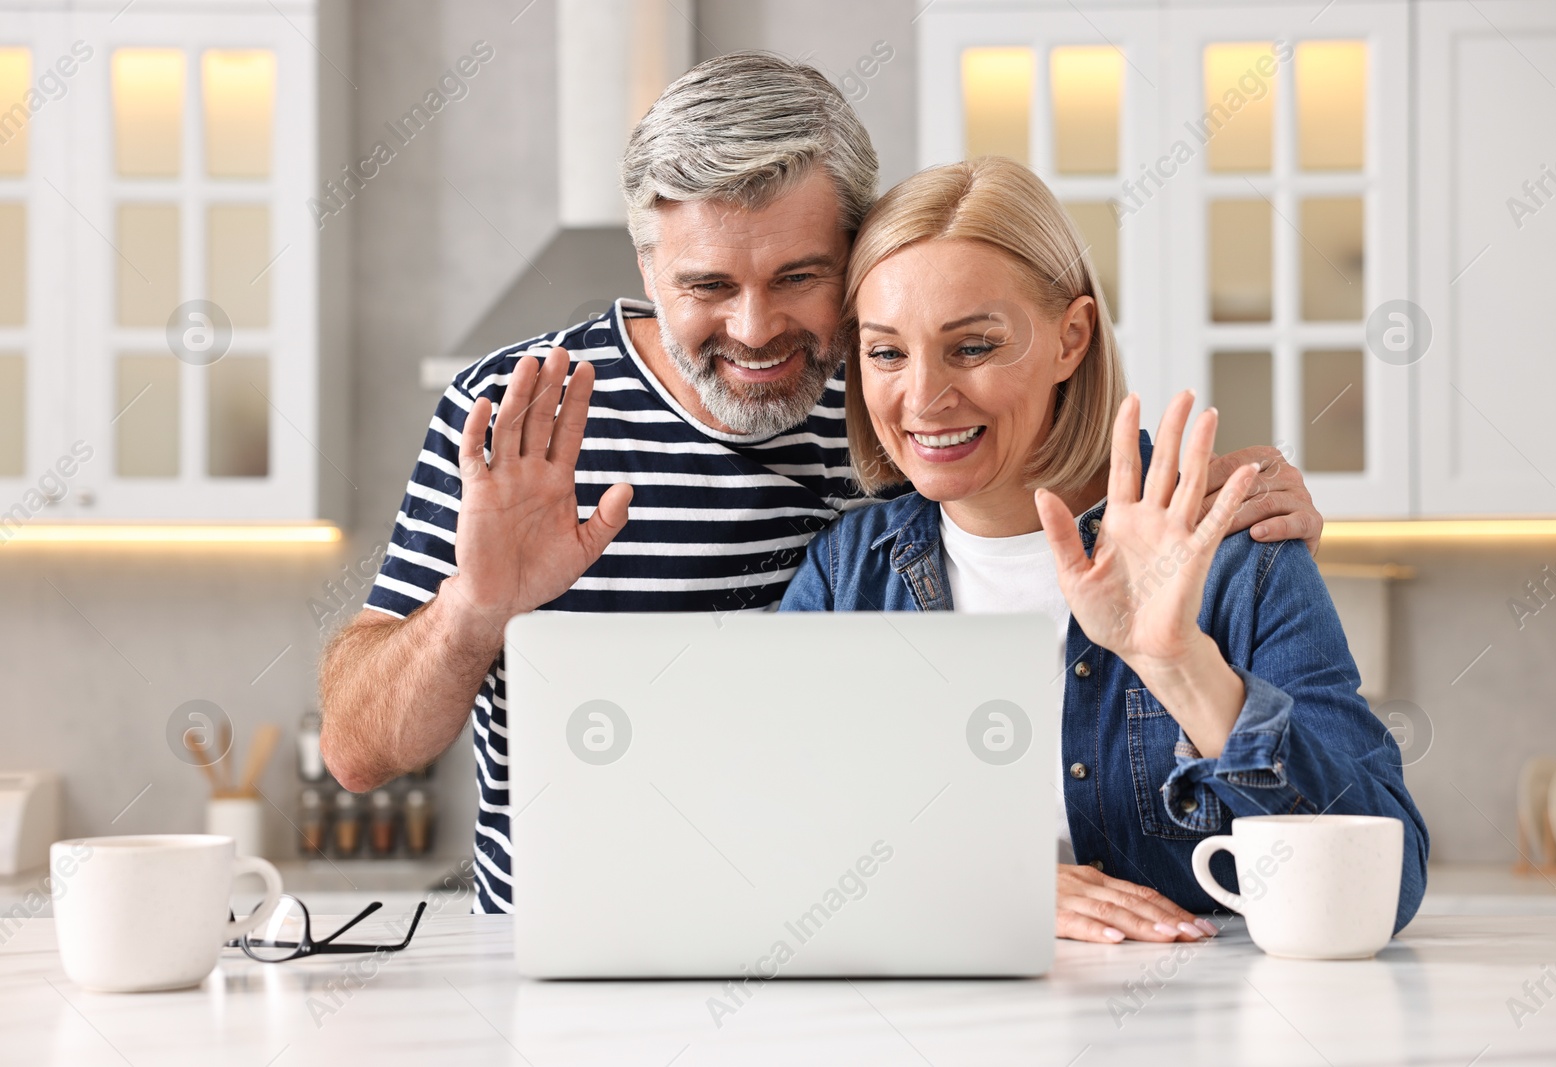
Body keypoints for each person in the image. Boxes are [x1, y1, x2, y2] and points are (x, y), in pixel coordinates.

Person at [319, 53, 1327, 915]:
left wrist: (1222, 502)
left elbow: (1059, 497)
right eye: (707, 286)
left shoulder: (908, 402)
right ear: (646, 261)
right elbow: (360, 753)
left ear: (857, 252)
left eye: (798, 278)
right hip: (567, 939)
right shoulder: (518, 411)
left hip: (841, 943)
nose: (755, 329)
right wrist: (474, 607)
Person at [778, 156, 1428, 943]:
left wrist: (1183, 665)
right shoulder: (849, 573)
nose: (922, 397)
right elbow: (778, 844)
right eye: (886, 353)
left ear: (1071, 338)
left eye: (973, 346)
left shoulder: (1228, 552)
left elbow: (1382, 886)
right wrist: (992, 881)